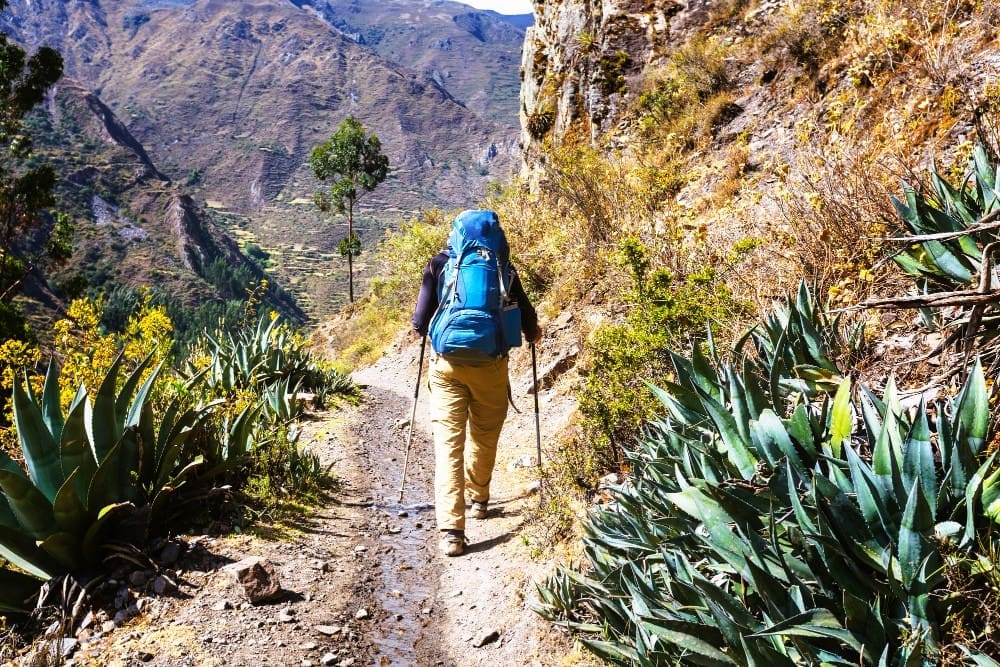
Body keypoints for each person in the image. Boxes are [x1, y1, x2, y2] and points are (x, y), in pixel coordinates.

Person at [412, 210, 542, 557]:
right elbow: (530, 323)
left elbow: (419, 322)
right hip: (491, 367)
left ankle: (452, 531)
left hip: (447, 368)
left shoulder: (439, 265)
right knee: (484, 436)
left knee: (448, 448)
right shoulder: (504, 269)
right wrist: (530, 332)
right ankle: (479, 498)